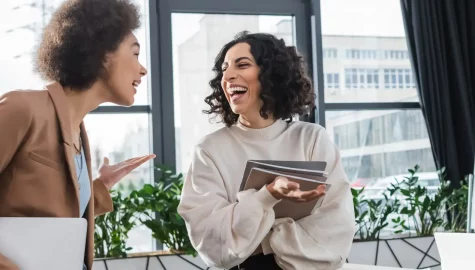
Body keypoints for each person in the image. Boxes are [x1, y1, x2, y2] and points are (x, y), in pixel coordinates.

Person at [178, 31, 355, 270]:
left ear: (271, 74)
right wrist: (267, 195)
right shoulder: (209, 150)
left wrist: (256, 237)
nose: (228, 76)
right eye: (224, 69)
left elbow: (336, 228)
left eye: (242, 65)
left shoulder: (312, 138)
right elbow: (211, 242)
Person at [0, 0, 155, 269]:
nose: (143, 69)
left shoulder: (79, 134)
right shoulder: (22, 108)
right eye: (135, 54)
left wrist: (99, 187)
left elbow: (49, 208)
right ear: (103, 53)